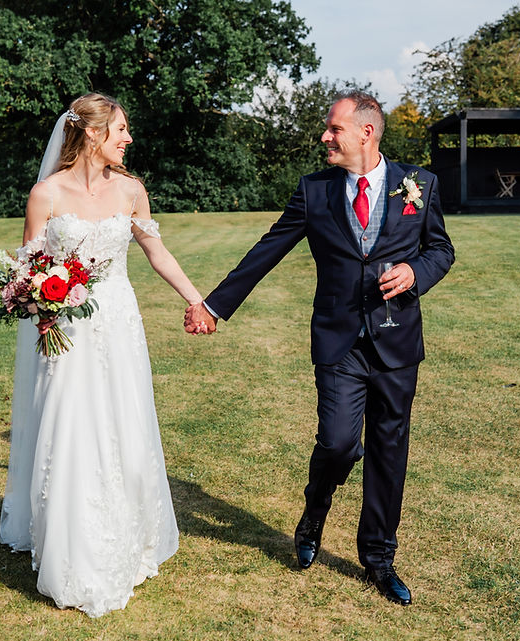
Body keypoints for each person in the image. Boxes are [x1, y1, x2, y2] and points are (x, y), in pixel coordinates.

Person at [184, 91, 454, 605]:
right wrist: (214, 306)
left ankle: (379, 559)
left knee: (388, 452)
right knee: (337, 443)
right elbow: (267, 249)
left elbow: (441, 248)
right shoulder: (315, 191)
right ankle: (315, 510)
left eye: (334, 129)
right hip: (338, 342)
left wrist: (415, 272)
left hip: (397, 341)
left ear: (366, 133)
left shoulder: (418, 185)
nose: (326, 137)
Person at [0, 93, 205, 617]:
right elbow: (25, 270)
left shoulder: (132, 191)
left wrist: (197, 299)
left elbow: (156, 252)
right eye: (120, 130)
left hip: (118, 326)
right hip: (66, 332)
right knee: (71, 427)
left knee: (123, 425)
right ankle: (73, 549)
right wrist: (36, 296)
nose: (128, 139)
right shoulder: (46, 194)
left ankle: (128, 535)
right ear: (92, 133)